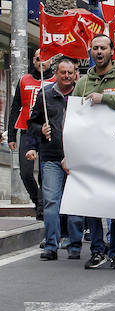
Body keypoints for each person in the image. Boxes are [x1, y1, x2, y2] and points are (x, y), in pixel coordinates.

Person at [73, 35, 115, 270]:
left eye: (103, 48)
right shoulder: (82, 83)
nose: (99, 51)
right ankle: (97, 250)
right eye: (95, 48)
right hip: (91, 153)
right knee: (92, 203)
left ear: (112, 51)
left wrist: (105, 99)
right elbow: (73, 120)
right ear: (90, 52)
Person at [26, 58, 82, 261]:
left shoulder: (82, 95)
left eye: (70, 72)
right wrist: (39, 131)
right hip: (51, 157)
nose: (67, 76)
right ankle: (51, 245)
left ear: (75, 74)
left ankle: (75, 245)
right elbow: (31, 123)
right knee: (51, 202)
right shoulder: (45, 95)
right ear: (56, 74)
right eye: (63, 72)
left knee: (75, 203)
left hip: (77, 159)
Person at [7, 49, 55, 219]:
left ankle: (42, 209)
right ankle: (37, 201)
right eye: (37, 59)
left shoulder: (55, 81)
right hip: (27, 131)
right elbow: (15, 108)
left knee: (45, 173)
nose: (41, 62)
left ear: (51, 61)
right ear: (33, 61)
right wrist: (11, 135)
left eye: (44, 59)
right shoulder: (24, 80)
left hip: (47, 132)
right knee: (25, 173)